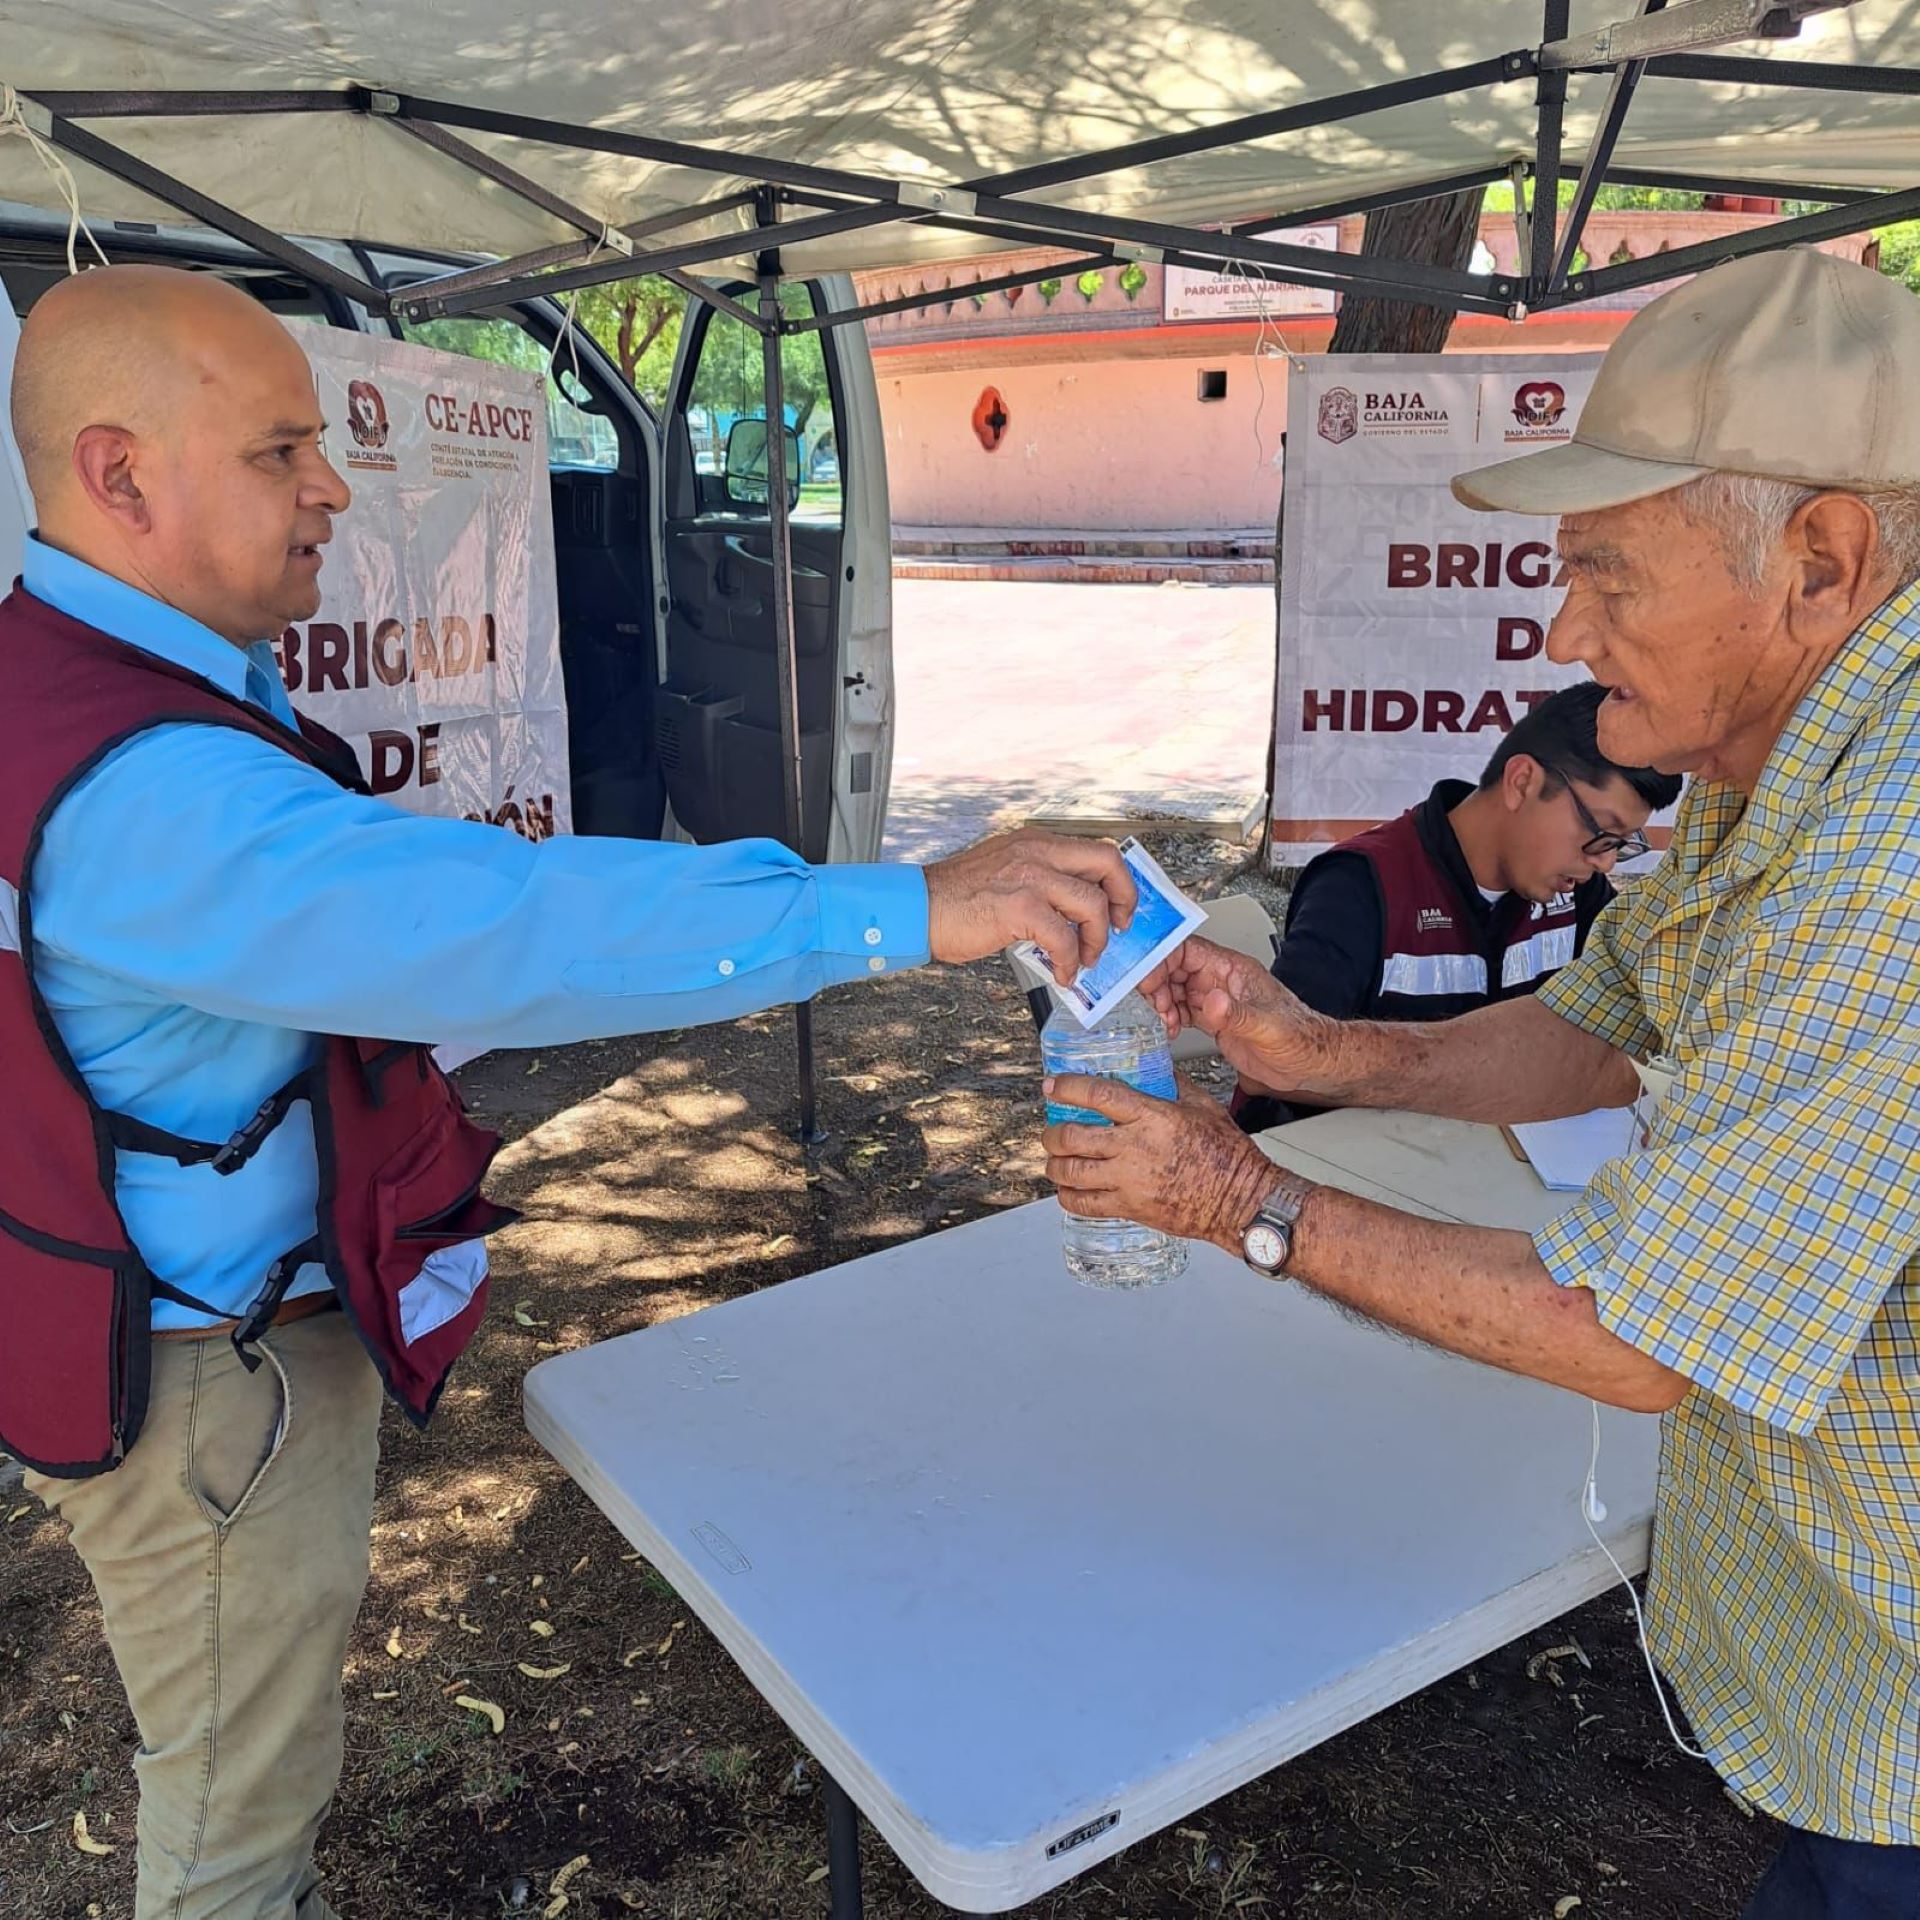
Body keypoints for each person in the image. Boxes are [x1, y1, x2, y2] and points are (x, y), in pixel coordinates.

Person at [0, 264, 1138, 1920]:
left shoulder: (53, 677)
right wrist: (896, 910)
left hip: (142, 1304)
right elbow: (503, 929)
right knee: (231, 1812)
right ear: (118, 473)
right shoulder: (141, 787)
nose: (331, 489)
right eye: (278, 452)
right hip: (202, 1378)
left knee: (230, 1746)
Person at [1044, 246, 1920, 1918]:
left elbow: (1641, 1328)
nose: (1563, 629)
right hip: (1849, 1648)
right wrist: (1305, 1045)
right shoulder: (1788, 746)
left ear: (1824, 557)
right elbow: (1601, 1020)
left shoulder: (1892, 851)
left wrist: (1235, 1194)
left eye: (1610, 578)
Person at [1236, 680, 1680, 1129]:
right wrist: (1450, 1080)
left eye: (1621, 845)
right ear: (1522, 782)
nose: (1603, 862)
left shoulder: (1577, 892)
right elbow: (1267, 1070)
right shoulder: (1362, 886)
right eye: (1601, 832)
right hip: (1358, 1169)